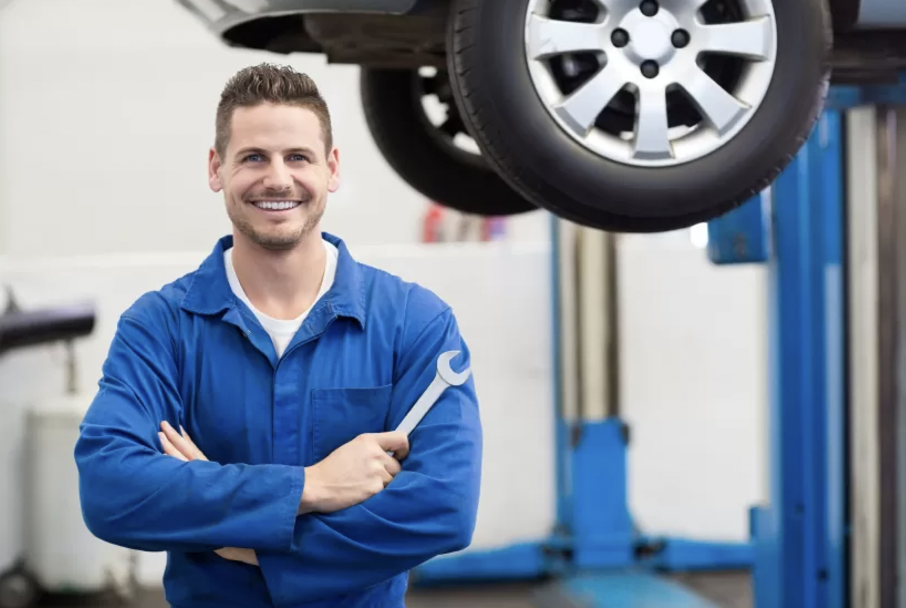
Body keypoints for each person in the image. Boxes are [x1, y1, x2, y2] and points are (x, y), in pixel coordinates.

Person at [73, 63, 483, 608]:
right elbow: (110, 490)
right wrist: (311, 486)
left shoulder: (413, 322)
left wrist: (251, 542)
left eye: (297, 157)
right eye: (253, 158)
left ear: (331, 168)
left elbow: (444, 508)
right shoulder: (160, 327)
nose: (278, 179)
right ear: (216, 168)